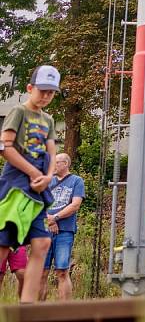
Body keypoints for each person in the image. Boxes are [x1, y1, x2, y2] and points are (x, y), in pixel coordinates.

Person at [0, 65, 60, 303]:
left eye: (51, 92)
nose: (45, 96)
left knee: (43, 241)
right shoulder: (19, 111)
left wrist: (47, 177)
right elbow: (5, 146)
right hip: (15, 186)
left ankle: (27, 305)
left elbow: (53, 153)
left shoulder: (49, 119)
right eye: (42, 90)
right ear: (30, 88)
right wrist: (34, 172)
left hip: (37, 189)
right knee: (3, 244)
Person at [40, 152, 85, 300]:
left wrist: (56, 218)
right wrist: (49, 220)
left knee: (62, 271)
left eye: (57, 162)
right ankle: (37, 311)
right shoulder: (47, 181)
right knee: (41, 271)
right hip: (44, 231)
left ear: (66, 164)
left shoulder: (76, 181)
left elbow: (75, 204)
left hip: (65, 231)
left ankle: (65, 311)